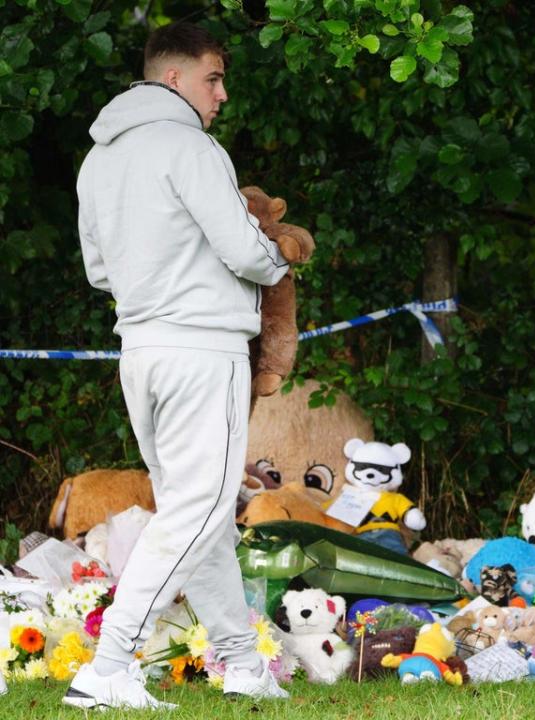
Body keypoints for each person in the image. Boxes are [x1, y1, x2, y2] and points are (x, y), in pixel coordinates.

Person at [66, 22, 290, 710]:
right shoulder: (191, 146)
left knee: (204, 516)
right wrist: (280, 260)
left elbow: (100, 270)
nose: (221, 94)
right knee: (199, 509)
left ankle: (242, 663)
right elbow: (247, 252)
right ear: (174, 78)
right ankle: (108, 664)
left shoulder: (97, 159)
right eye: (213, 78)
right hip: (201, 348)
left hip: (140, 350)